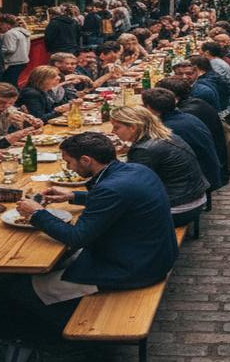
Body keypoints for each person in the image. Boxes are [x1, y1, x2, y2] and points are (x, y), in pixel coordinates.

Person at [14, 132, 177, 310]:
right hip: (154, 254)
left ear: (86, 160)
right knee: (58, 261)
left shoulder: (110, 189)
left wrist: (36, 213)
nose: (69, 168)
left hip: (134, 268)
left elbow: (77, 237)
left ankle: (51, 331)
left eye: (69, 162)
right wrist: (72, 195)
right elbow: (120, 199)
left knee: (24, 289)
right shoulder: (136, 170)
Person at [111, 106, 210, 228]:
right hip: (193, 196)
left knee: (112, 216)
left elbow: (131, 186)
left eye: (117, 127)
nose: (113, 132)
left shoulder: (144, 150)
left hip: (179, 208)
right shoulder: (164, 135)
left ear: (133, 127)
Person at [142, 87, 222, 192]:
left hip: (195, 181)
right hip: (209, 172)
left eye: (144, 106)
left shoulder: (167, 128)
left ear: (151, 109)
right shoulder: (186, 117)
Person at [157, 77, 227, 170]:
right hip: (214, 159)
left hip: (204, 168)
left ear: (174, 98)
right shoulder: (196, 102)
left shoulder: (184, 114)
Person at [0, 14, 31, 87]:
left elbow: (10, 49)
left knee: (8, 84)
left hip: (13, 62)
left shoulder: (10, 33)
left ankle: (16, 97)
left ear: (8, 25)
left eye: (1, 24)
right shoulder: (22, 31)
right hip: (22, 61)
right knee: (12, 82)